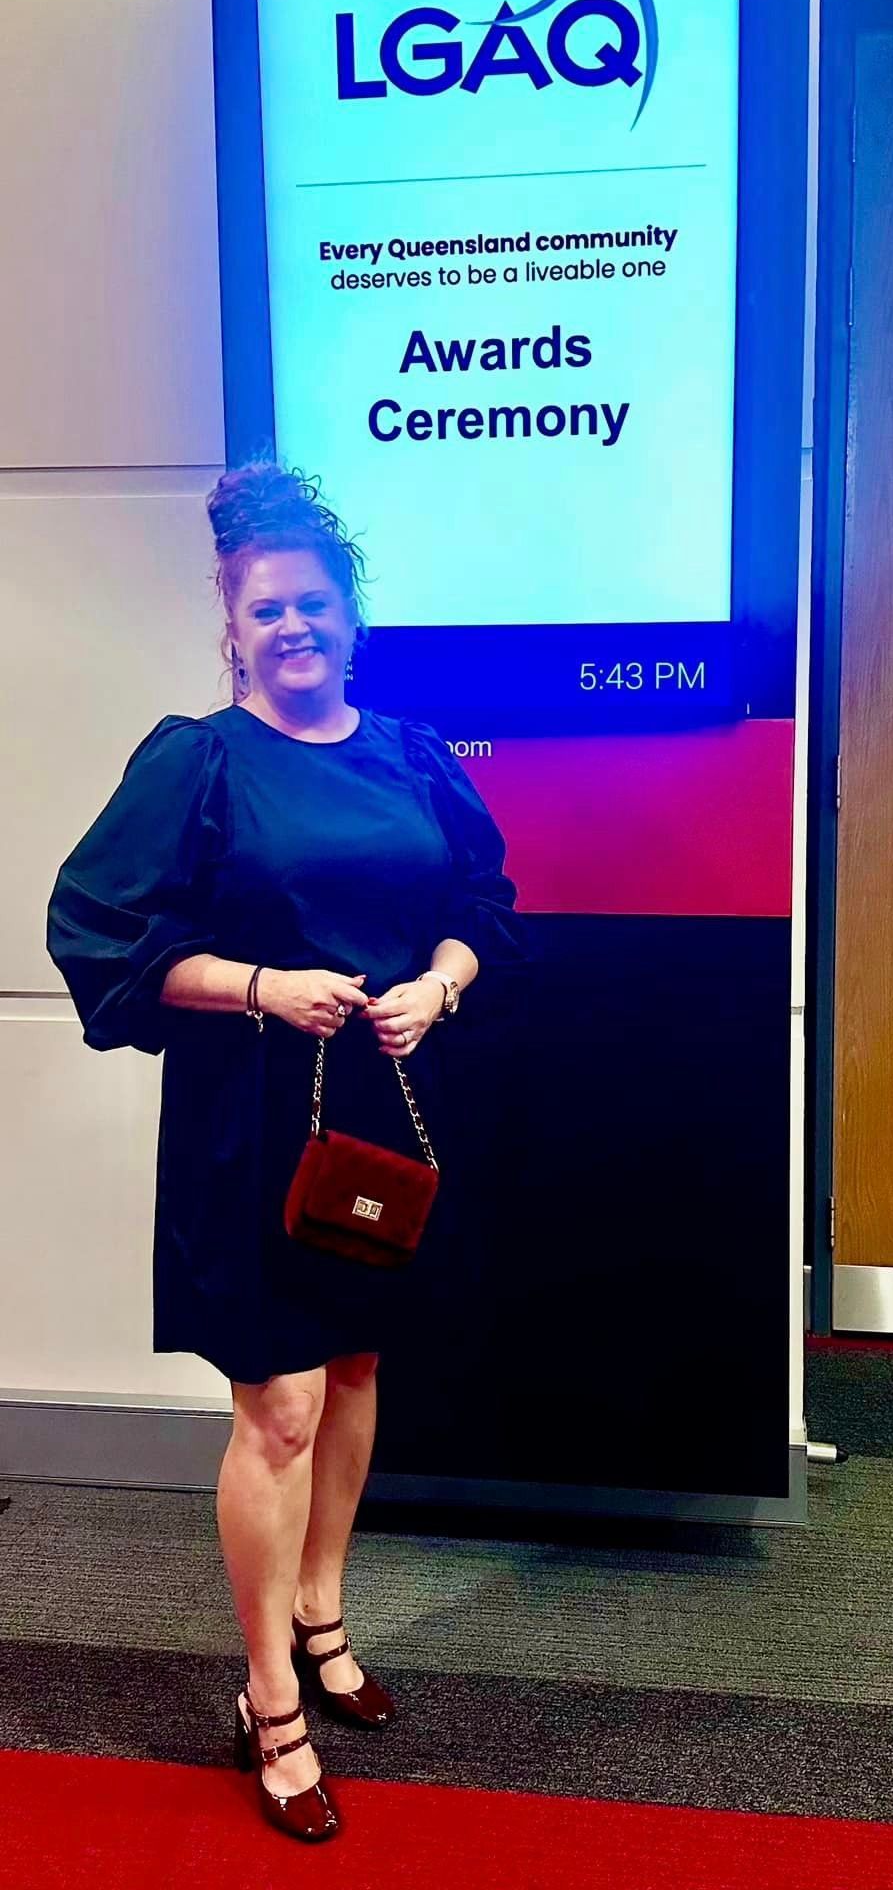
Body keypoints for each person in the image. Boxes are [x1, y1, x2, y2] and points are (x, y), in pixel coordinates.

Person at [46, 459, 518, 1843]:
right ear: (232, 627)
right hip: (248, 1127)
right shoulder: (197, 758)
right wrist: (260, 985)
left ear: (351, 612)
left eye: (314, 603)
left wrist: (438, 984)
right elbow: (99, 936)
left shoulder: (413, 754)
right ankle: (270, 1697)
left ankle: (322, 1615)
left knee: (360, 1366)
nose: (294, 627)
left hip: (376, 1110)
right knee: (283, 1408)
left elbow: (482, 904)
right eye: (267, 611)